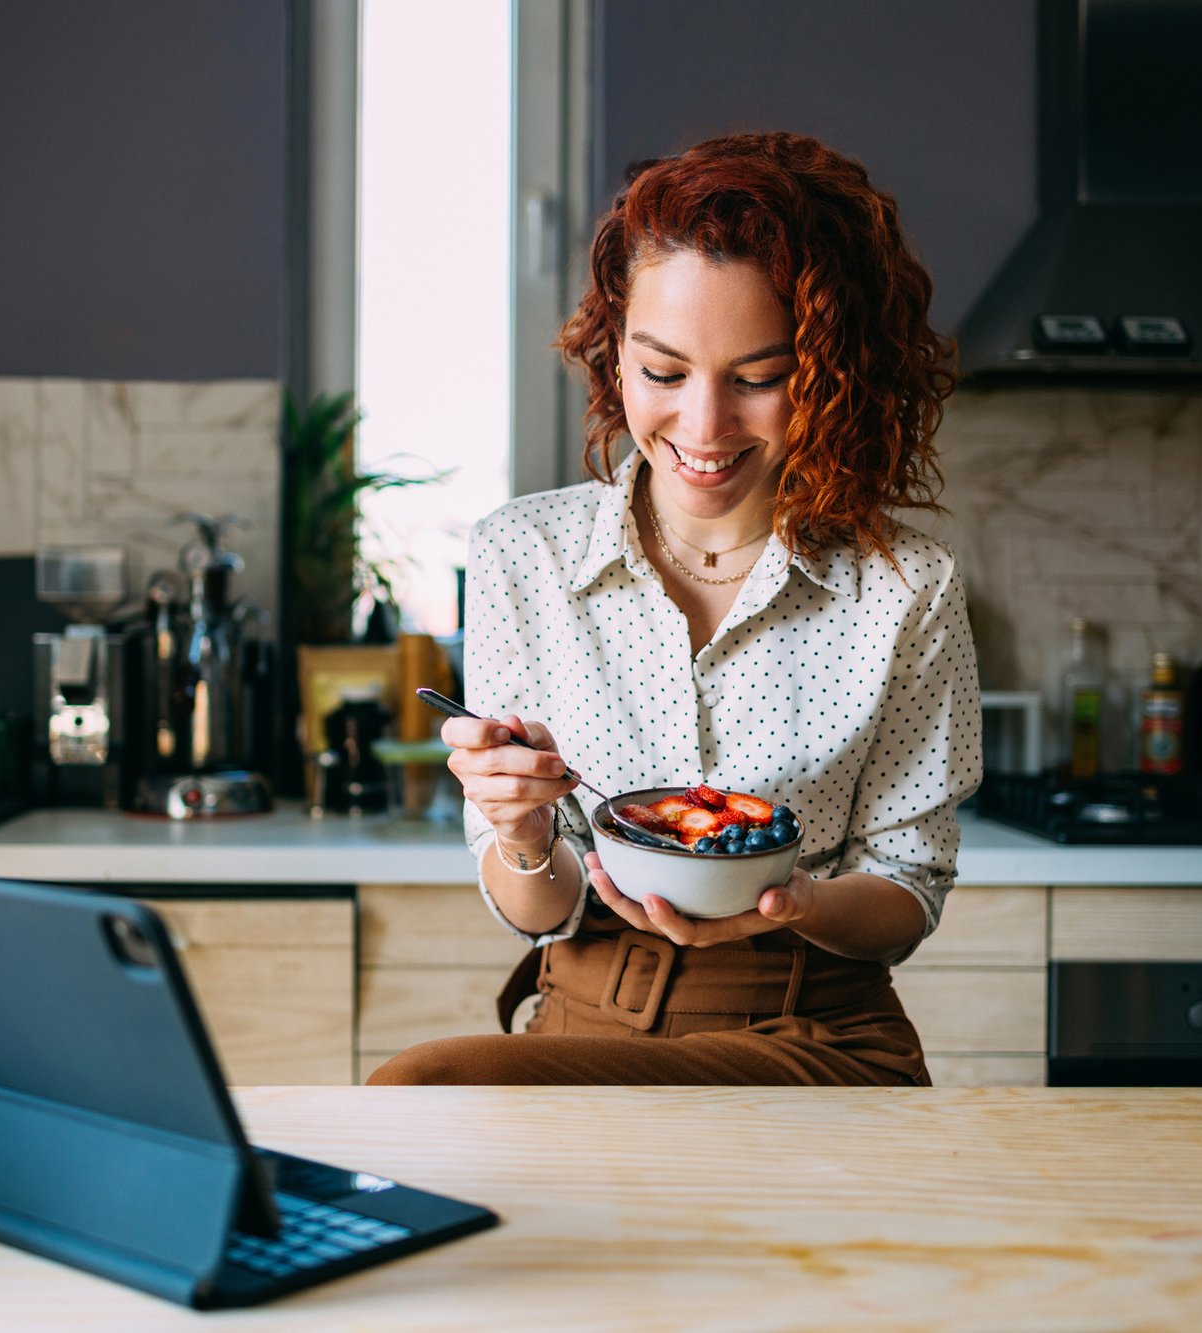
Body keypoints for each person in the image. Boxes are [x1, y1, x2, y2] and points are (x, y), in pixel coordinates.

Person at [367, 132, 982, 1087]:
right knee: (412, 1094)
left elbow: (907, 889)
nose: (702, 427)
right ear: (614, 352)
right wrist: (523, 836)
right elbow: (542, 911)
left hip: (811, 1034)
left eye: (758, 378)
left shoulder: (907, 586)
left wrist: (795, 903)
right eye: (664, 373)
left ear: (831, 374)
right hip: (585, 1020)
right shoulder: (520, 556)